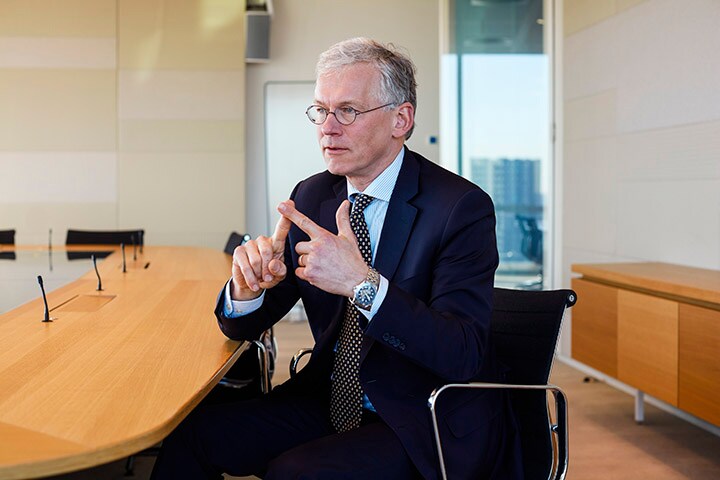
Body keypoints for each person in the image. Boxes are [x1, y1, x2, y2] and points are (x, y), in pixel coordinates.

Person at [151, 37, 522, 480]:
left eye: (347, 111)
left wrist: (363, 285)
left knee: (295, 472)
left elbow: (462, 353)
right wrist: (247, 291)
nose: (328, 128)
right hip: (328, 397)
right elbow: (246, 325)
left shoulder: (459, 207)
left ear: (401, 119)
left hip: (420, 416)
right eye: (320, 110)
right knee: (191, 434)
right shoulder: (312, 195)